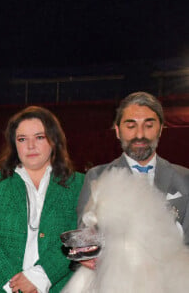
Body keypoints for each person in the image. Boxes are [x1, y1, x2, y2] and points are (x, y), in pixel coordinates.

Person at [0, 106, 84, 293]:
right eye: (22, 139)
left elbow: (78, 234)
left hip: (59, 286)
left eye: (39, 137)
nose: (30, 146)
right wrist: (12, 283)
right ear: (14, 144)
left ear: (54, 140)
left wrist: (41, 276)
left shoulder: (78, 184)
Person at [77, 91, 189, 268]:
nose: (139, 135)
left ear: (160, 129)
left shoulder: (184, 178)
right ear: (117, 131)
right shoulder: (97, 177)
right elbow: (84, 236)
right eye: (131, 126)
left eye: (149, 125)